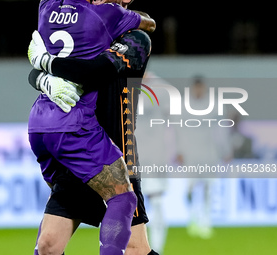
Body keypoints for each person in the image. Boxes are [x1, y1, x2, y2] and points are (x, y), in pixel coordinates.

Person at [27, 3, 157, 255]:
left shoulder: (136, 39)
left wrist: (45, 64)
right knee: (48, 244)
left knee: (135, 249)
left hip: (117, 151)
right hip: (78, 144)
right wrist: (42, 77)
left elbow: (95, 71)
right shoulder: (82, 28)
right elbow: (41, 72)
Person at [175, 76, 232, 239]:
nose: (199, 90)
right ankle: (192, 218)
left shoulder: (214, 106)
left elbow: (222, 129)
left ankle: (206, 222)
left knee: (208, 188)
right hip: (191, 153)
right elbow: (178, 130)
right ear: (193, 88)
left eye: (201, 87)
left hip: (209, 153)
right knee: (191, 188)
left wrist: (226, 150)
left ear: (204, 88)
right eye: (196, 87)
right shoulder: (183, 106)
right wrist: (179, 150)